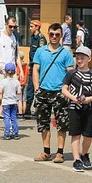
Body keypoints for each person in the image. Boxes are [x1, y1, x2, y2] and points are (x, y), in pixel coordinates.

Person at [32, 22, 75, 163]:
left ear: (61, 36)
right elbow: (35, 70)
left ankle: (60, 153)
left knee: (62, 123)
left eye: (57, 34)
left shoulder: (66, 53)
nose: (54, 37)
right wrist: (37, 87)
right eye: (52, 34)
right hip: (43, 91)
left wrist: (67, 90)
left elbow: (70, 74)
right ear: (48, 34)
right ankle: (46, 151)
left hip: (59, 92)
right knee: (43, 123)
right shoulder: (40, 51)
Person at [61, 46, 92, 172]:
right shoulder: (71, 74)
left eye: (82, 58)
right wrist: (73, 98)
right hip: (74, 108)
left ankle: (84, 154)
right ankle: (76, 159)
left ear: (89, 59)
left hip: (88, 108)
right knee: (75, 134)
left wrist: (90, 99)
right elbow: (64, 89)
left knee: (88, 135)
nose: (79, 61)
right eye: (77, 58)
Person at [0, 17, 24, 130]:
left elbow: (16, 56)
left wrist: (20, 70)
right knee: (0, 96)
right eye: (10, 26)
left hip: (12, 70)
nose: (12, 29)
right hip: (0, 69)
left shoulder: (15, 37)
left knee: (13, 95)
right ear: (6, 25)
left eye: (14, 27)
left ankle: (10, 120)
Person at [26, 20, 47, 117]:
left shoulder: (41, 39)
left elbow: (42, 53)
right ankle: (27, 108)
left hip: (39, 67)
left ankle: (39, 108)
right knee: (30, 86)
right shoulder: (33, 37)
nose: (30, 28)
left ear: (37, 27)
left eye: (31, 26)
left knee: (38, 87)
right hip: (32, 65)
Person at [0, 63, 21, 140]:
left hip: (6, 102)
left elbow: (0, 91)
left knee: (7, 117)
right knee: (14, 117)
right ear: (14, 72)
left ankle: (7, 133)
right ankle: (15, 133)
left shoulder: (3, 82)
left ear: (5, 71)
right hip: (14, 102)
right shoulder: (17, 82)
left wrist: (0, 95)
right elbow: (19, 92)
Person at [17, 51, 29, 118]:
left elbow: (18, 75)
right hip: (25, 83)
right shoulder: (26, 66)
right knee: (24, 100)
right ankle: (24, 113)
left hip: (19, 83)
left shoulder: (19, 66)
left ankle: (20, 113)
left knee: (19, 99)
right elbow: (28, 74)